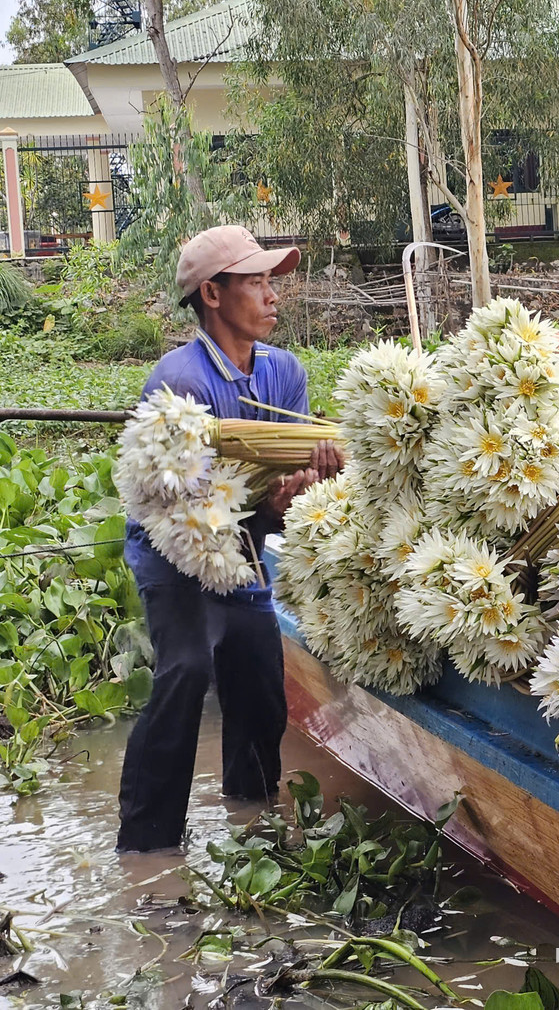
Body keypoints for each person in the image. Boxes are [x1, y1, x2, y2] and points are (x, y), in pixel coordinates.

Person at [116, 225, 344, 853]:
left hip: (242, 547)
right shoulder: (178, 383)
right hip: (176, 550)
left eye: (272, 282)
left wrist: (295, 493)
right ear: (212, 295)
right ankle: (147, 842)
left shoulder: (285, 373)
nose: (273, 297)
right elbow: (179, 506)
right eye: (257, 283)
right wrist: (258, 506)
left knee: (259, 681)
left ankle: (255, 822)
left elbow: (278, 500)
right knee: (186, 669)